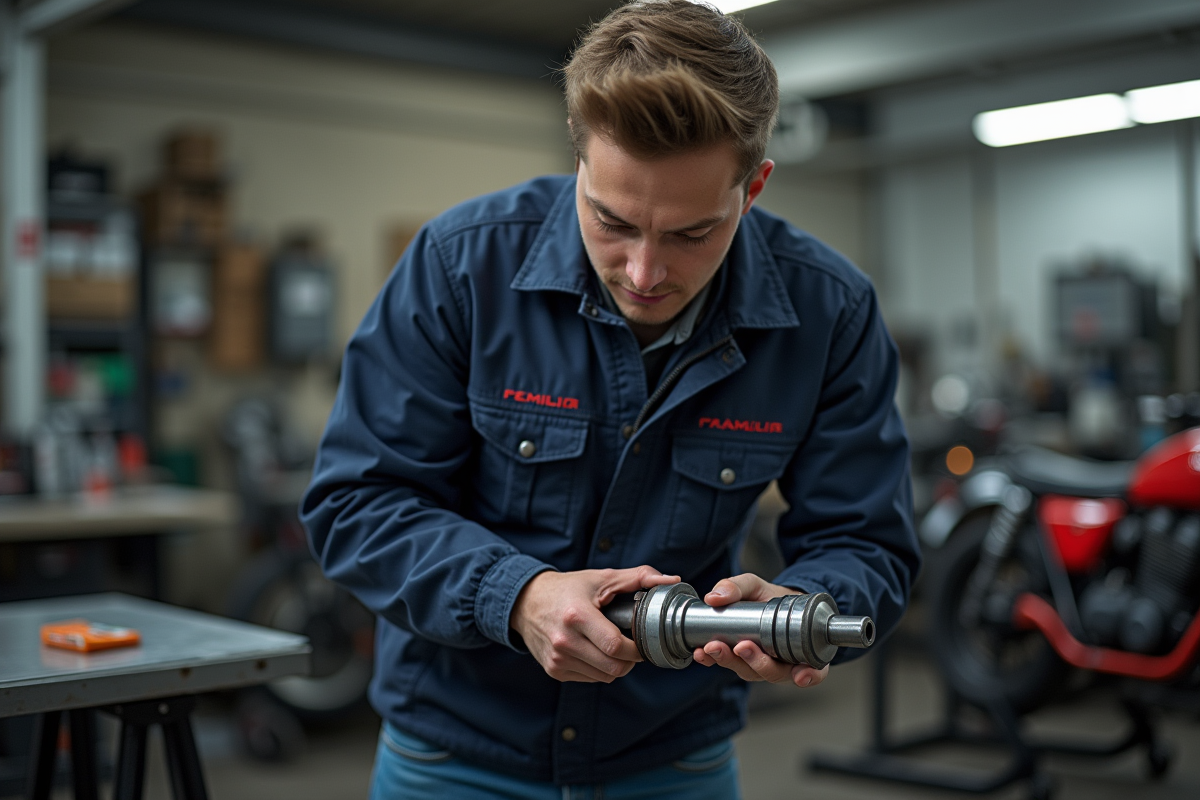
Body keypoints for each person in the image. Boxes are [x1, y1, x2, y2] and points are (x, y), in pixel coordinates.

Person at [300, 1, 920, 797]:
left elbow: (866, 538)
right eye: (611, 220)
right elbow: (358, 504)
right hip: (456, 758)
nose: (643, 272)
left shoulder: (829, 311)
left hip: (670, 758)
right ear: (580, 159)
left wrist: (806, 606)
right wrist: (516, 595)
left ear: (754, 187)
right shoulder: (460, 269)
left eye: (692, 234)